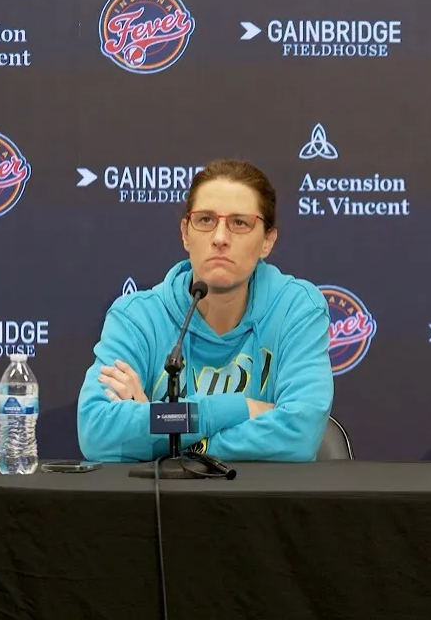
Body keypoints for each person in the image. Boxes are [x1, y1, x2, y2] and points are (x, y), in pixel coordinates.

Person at [77, 159, 334, 463]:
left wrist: (165, 435)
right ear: (186, 233)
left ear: (267, 241)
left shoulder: (297, 310)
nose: (220, 237)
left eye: (240, 223)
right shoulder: (136, 318)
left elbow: (299, 435)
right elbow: (97, 431)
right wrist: (235, 409)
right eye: (205, 220)